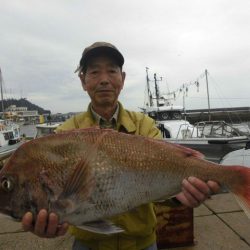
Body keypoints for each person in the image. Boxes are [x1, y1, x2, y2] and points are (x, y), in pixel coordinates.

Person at [22, 42, 220, 250]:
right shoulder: (64, 134)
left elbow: (165, 179)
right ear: (83, 80)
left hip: (142, 243)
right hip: (88, 244)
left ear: (122, 79)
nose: (104, 80)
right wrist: (48, 220)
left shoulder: (145, 125)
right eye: (95, 72)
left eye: (112, 71)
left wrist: (181, 196)